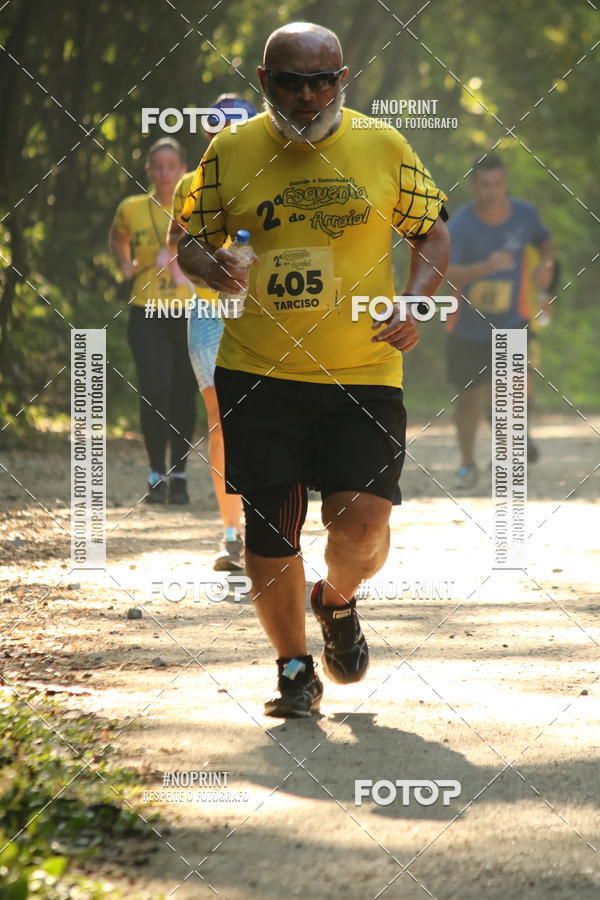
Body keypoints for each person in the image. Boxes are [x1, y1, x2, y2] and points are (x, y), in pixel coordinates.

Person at [177, 22, 450, 717]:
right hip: (260, 373)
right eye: (292, 82)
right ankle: (294, 670)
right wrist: (212, 268)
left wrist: (413, 303)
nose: (307, 97)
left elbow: (433, 231)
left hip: (362, 370)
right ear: (265, 81)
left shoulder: (382, 145)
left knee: (361, 525)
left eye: (321, 81)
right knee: (271, 532)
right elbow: (188, 242)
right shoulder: (231, 151)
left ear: (343, 79)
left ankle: (337, 599)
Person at [167, 96, 258, 569]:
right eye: (215, 131)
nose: (222, 139)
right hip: (209, 316)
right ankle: (231, 536)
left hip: (269, 313)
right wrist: (214, 259)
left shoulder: (276, 171)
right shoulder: (191, 181)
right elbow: (177, 242)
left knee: (275, 418)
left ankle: (275, 529)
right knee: (221, 425)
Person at [445, 155, 555, 488]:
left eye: (497, 184)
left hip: (512, 320)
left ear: (505, 183)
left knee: (512, 392)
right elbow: (443, 271)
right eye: (483, 185)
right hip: (467, 326)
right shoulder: (461, 225)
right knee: (468, 402)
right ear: (472, 186)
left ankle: (505, 459)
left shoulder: (524, 215)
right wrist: (484, 268)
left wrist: (546, 267)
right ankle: (467, 463)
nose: (491, 192)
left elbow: (544, 242)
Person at [109, 137, 198, 504]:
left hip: (188, 312)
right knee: (155, 388)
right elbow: (117, 237)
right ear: (148, 170)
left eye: (171, 167)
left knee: (183, 392)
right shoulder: (131, 207)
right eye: (157, 167)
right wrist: (124, 262)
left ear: (182, 169)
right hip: (147, 311)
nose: (164, 174)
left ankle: (179, 475)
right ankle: (155, 473)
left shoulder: (195, 205)